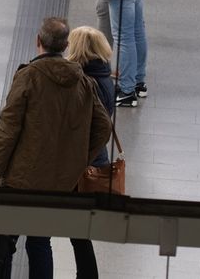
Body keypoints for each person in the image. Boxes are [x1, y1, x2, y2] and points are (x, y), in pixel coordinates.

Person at [0, 17, 113, 279]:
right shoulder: (83, 81)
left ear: (38, 41)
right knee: (40, 242)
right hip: (59, 182)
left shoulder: (28, 76)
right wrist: (78, 159)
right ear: (65, 45)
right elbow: (103, 126)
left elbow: (8, 130)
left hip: (22, 179)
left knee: (4, 241)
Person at [65, 25, 116, 278]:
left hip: (81, 164)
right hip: (97, 160)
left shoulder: (86, 83)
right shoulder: (107, 79)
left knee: (73, 232)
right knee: (80, 233)